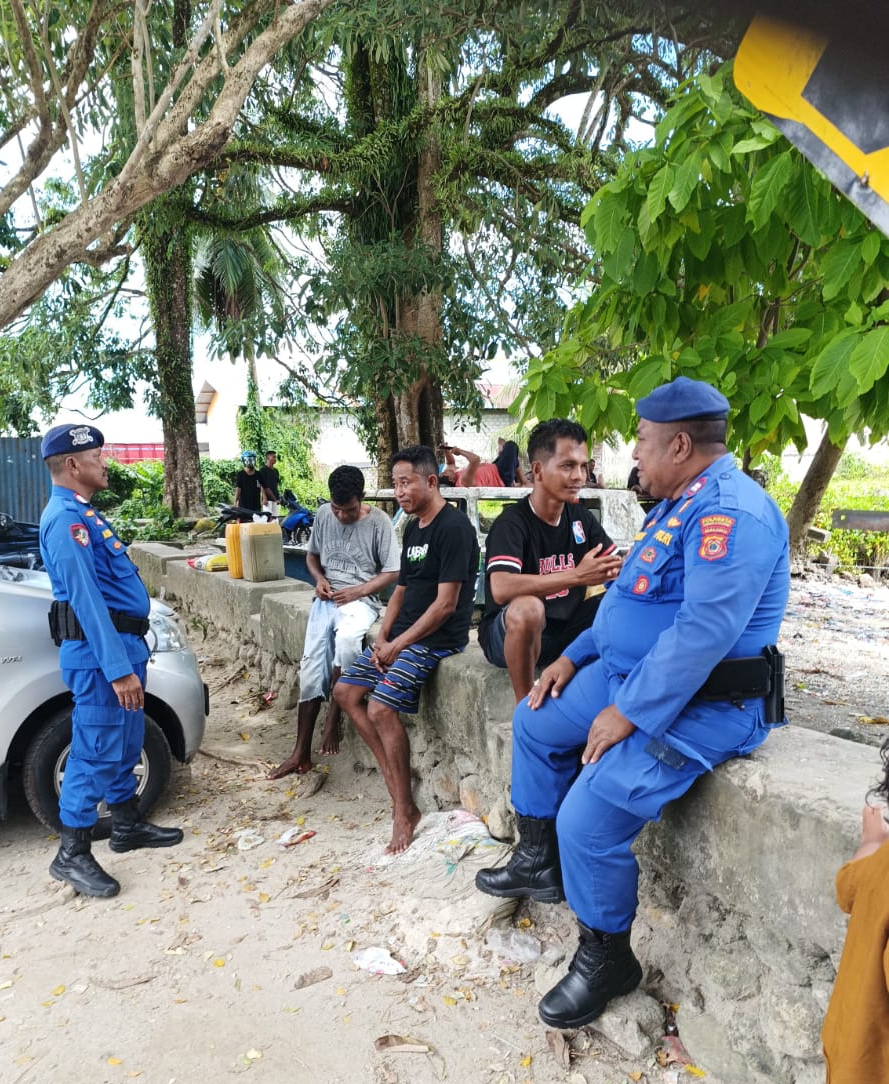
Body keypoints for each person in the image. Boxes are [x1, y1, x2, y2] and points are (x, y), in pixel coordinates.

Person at [475, 375, 789, 1029]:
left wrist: (631, 713)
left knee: (586, 820)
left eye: (642, 442)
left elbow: (703, 633)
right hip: (622, 677)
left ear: (679, 444)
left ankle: (607, 958)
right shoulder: (676, 505)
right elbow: (623, 609)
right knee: (532, 721)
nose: (632, 456)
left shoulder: (730, 514)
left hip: (696, 707)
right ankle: (538, 863)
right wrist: (570, 656)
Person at [39, 425, 183, 898]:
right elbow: (85, 601)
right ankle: (72, 854)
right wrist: (118, 668)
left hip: (122, 650)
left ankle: (125, 825)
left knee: (125, 740)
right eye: (97, 455)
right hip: (103, 659)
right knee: (94, 748)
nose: (106, 461)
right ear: (74, 465)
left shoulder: (83, 513)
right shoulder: (65, 520)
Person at [334, 446, 479, 855]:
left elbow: (445, 605)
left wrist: (399, 643)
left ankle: (403, 808)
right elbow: (401, 590)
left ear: (431, 481)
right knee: (345, 692)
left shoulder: (454, 529)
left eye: (406, 482)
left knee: (380, 708)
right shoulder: (413, 528)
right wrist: (382, 635)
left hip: (435, 641)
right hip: (401, 636)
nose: (398, 491)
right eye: (395, 483)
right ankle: (395, 781)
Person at [267, 465, 400, 779]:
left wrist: (359, 590)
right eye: (337, 508)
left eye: (349, 509)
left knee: (346, 643)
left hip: (361, 601)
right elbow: (312, 557)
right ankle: (300, 753)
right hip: (326, 600)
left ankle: (334, 720)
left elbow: (393, 572)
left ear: (361, 498)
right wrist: (319, 579)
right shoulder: (325, 514)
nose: (341, 515)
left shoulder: (379, 523)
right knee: (312, 663)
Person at [479, 419, 623, 701]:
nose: (579, 476)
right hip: (511, 635)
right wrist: (577, 576)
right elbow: (501, 588)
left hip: (563, 630)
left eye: (583, 466)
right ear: (537, 470)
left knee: (620, 599)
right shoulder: (512, 524)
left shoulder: (579, 517)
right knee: (528, 609)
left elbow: (616, 566)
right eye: (568, 466)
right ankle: (525, 707)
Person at [820, 740, 889, 1084]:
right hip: (883, 1061)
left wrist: (871, 842)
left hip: (849, 1034)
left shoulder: (879, 864)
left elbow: (847, 888)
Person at [233, 451, 262, 516]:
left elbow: (262, 486)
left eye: (252, 460)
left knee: (257, 524)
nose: (251, 462)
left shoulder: (258, 474)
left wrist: (264, 498)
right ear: (244, 461)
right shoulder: (240, 474)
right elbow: (238, 489)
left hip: (256, 506)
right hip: (243, 506)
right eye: (249, 460)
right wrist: (235, 502)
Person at [257, 450, 280, 518]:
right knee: (267, 518)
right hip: (267, 499)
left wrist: (277, 498)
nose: (275, 459)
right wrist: (264, 497)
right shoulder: (262, 470)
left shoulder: (276, 471)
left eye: (275, 457)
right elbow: (261, 485)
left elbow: (276, 485)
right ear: (268, 458)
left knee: (275, 518)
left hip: (275, 498)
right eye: (273, 457)